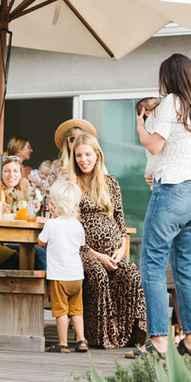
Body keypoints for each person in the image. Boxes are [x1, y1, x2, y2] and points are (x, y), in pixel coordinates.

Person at [137, 53, 191, 358]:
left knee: (153, 263)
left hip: (172, 190)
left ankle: (159, 339)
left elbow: (155, 144)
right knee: (185, 265)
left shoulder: (172, 101)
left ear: (169, 78)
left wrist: (140, 126)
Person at [69, 133, 147, 349]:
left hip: (113, 252)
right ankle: (99, 336)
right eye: (78, 155)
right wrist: (96, 255)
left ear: (97, 155)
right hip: (83, 251)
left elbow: (120, 221)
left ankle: (130, 336)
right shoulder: (71, 184)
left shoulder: (110, 182)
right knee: (99, 275)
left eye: (87, 154)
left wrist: (121, 250)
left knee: (131, 275)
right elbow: (70, 229)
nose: (83, 160)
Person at [37, 179, 87, 353]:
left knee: (61, 311)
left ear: (54, 204)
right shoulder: (78, 225)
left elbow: (40, 242)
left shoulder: (52, 224)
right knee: (77, 310)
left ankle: (63, 343)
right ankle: (81, 341)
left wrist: (46, 223)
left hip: (59, 276)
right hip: (77, 276)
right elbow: (81, 245)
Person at [46, 119, 97, 190]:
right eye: (72, 139)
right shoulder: (57, 165)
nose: (76, 142)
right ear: (66, 142)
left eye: (79, 138)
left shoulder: (93, 163)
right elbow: (48, 191)